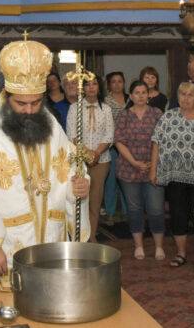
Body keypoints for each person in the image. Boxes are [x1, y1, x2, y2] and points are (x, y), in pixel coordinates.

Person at [0, 37, 90, 280]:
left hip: (49, 239)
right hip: (6, 246)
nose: (30, 111)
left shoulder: (50, 123)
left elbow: (70, 167)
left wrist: (80, 187)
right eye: (21, 103)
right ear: (6, 94)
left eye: (36, 102)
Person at [151, 81, 194, 270]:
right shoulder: (168, 117)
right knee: (178, 215)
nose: (186, 98)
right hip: (175, 176)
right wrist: (153, 170)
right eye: (182, 94)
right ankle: (181, 253)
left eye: (190, 95)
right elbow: (156, 142)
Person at [114, 80, 165, 260]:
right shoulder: (124, 116)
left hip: (153, 169)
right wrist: (135, 163)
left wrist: (153, 165)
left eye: (144, 92)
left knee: (156, 209)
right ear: (131, 96)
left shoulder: (157, 114)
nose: (141, 96)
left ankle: (159, 246)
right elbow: (119, 142)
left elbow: (161, 141)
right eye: (137, 92)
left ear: (148, 95)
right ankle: (139, 245)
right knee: (134, 209)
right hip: (129, 170)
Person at [66, 74, 113, 242]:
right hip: (80, 161)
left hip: (101, 161)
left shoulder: (106, 109)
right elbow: (72, 134)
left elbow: (109, 135)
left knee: (94, 201)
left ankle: (91, 238)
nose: (91, 87)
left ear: (99, 88)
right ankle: (78, 237)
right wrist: (86, 155)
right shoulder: (74, 108)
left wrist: (96, 154)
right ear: (82, 88)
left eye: (94, 84)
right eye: (88, 85)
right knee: (79, 200)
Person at [103, 71, 128, 224]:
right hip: (111, 146)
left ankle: (127, 212)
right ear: (109, 85)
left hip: (128, 146)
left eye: (120, 81)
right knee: (110, 181)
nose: (117, 84)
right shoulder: (105, 102)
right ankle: (111, 212)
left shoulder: (130, 99)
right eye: (114, 81)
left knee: (126, 180)